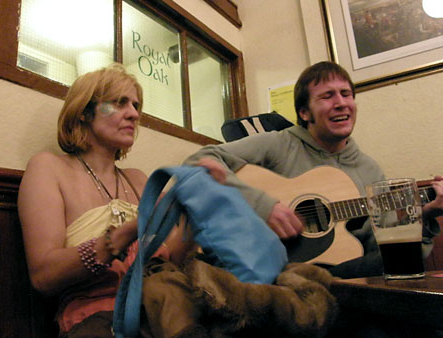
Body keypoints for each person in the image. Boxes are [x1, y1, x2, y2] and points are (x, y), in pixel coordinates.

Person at [184, 61, 443, 279]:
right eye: (328, 96)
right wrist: (264, 206)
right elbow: (199, 161)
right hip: (264, 268)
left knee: (399, 265)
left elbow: (380, 248)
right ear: (305, 113)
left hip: (337, 276)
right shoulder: (278, 143)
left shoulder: (369, 169)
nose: (341, 103)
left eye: (346, 94)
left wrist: (423, 215)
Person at [18, 63, 188, 337]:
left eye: (135, 105)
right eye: (119, 103)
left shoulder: (140, 179)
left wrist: (199, 213)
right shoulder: (49, 168)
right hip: (98, 321)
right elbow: (43, 276)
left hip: (165, 312)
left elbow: (177, 260)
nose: (133, 114)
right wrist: (120, 238)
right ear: (85, 112)